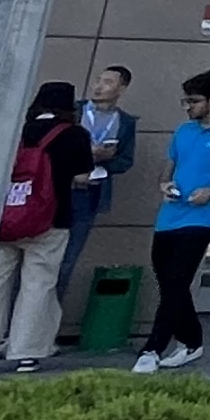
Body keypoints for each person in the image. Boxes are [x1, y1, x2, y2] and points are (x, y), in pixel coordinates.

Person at [0, 83, 94, 372]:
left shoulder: (14, 130)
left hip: (4, 220)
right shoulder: (75, 135)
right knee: (38, 285)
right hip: (51, 219)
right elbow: (83, 177)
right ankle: (27, 352)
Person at [139, 69, 210, 371]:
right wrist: (165, 185)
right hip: (171, 214)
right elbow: (169, 167)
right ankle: (191, 340)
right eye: (185, 101)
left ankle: (153, 348)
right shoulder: (184, 131)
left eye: (194, 101)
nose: (188, 107)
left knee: (177, 278)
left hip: (203, 216)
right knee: (168, 280)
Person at [58, 66, 136, 314]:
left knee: (68, 261)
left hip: (91, 192)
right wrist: (83, 153)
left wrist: (105, 160)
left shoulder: (125, 122)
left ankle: (49, 320)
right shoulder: (74, 112)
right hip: (60, 190)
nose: (99, 87)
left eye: (108, 82)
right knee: (44, 258)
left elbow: (126, 161)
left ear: (121, 89)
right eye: (98, 80)